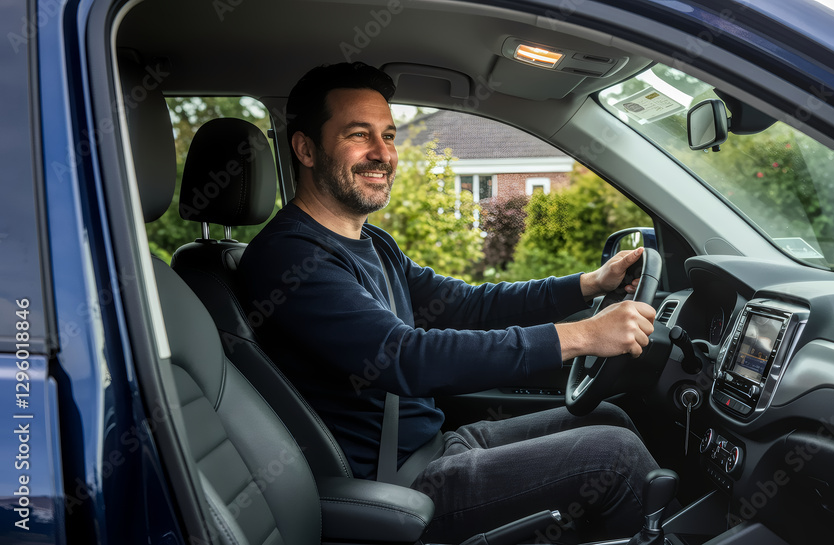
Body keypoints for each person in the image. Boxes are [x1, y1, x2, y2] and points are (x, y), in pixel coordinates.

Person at [239, 62, 660, 543]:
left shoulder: (374, 244)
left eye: (390, 136)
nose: (383, 154)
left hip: (435, 447)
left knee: (610, 416)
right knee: (616, 456)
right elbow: (405, 357)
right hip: (394, 489)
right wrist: (584, 335)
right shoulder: (289, 258)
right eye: (359, 135)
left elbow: (467, 305)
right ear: (306, 148)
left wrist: (587, 284)